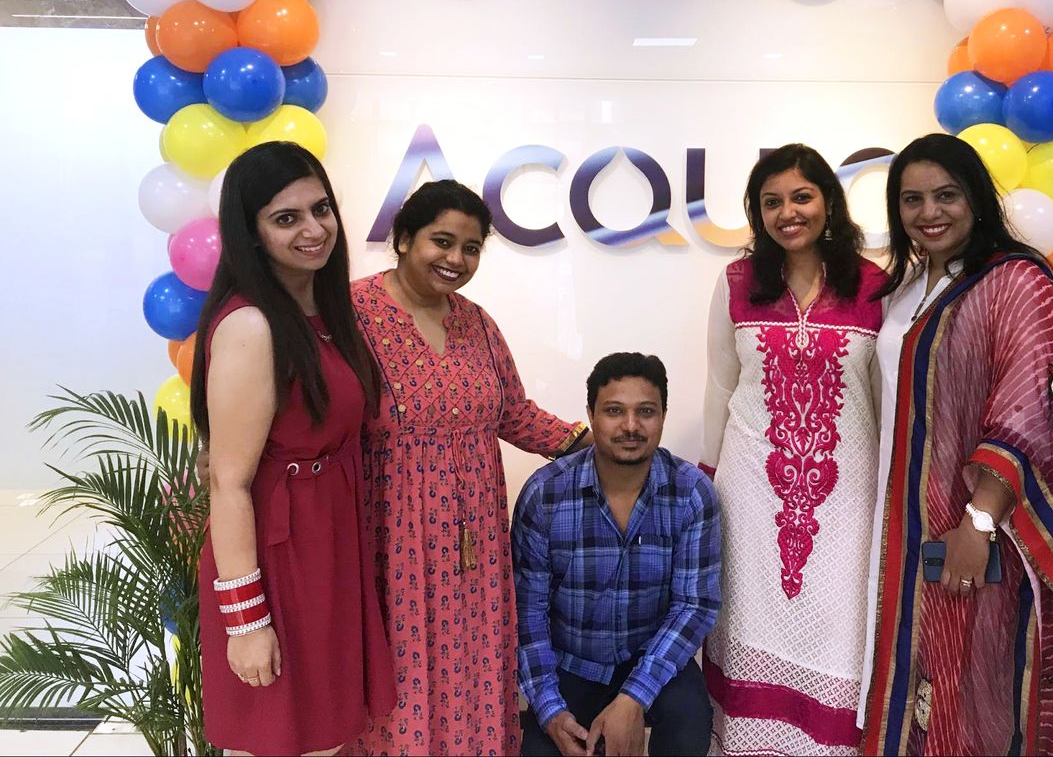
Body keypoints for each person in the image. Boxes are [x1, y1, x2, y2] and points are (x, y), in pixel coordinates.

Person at [860, 134, 1053, 756]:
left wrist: (977, 524)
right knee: (913, 673)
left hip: (974, 526)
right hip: (898, 519)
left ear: (977, 198)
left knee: (970, 677)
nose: (929, 212)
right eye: (912, 199)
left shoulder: (1016, 281)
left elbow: (1028, 408)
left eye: (946, 195)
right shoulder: (908, 287)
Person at [350, 180, 590, 757]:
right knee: (402, 677)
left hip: (475, 548)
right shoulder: (352, 313)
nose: (456, 259)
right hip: (390, 544)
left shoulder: (477, 323)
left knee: (472, 668)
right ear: (403, 238)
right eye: (442, 241)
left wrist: (593, 443)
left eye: (472, 248)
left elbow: (513, 413)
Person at [191, 142, 394, 756]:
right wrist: (246, 620)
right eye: (286, 218)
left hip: (327, 542)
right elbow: (228, 481)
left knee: (323, 738)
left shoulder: (324, 310)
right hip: (279, 556)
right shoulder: (252, 325)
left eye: (320, 208)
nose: (314, 229)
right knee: (277, 739)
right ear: (250, 234)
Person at [702, 143, 885, 756]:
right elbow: (720, 387)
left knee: (840, 628)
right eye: (771, 202)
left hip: (846, 497)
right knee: (748, 618)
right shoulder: (736, 283)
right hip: (750, 493)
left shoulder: (875, 287)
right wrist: (707, 481)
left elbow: (882, 399)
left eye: (801, 197)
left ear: (828, 201)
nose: (788, 213)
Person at [514, 353, 721, 757]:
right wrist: (551, 711)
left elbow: (694, 605)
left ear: (663, 416)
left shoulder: (691, 492)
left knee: (690, 722)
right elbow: (528, 614)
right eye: (614, 411)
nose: (630, 426)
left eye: (646, 411)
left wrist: (633, 698)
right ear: (590, 415)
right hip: (571, 662)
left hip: (650, 657)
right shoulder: (545, 494)